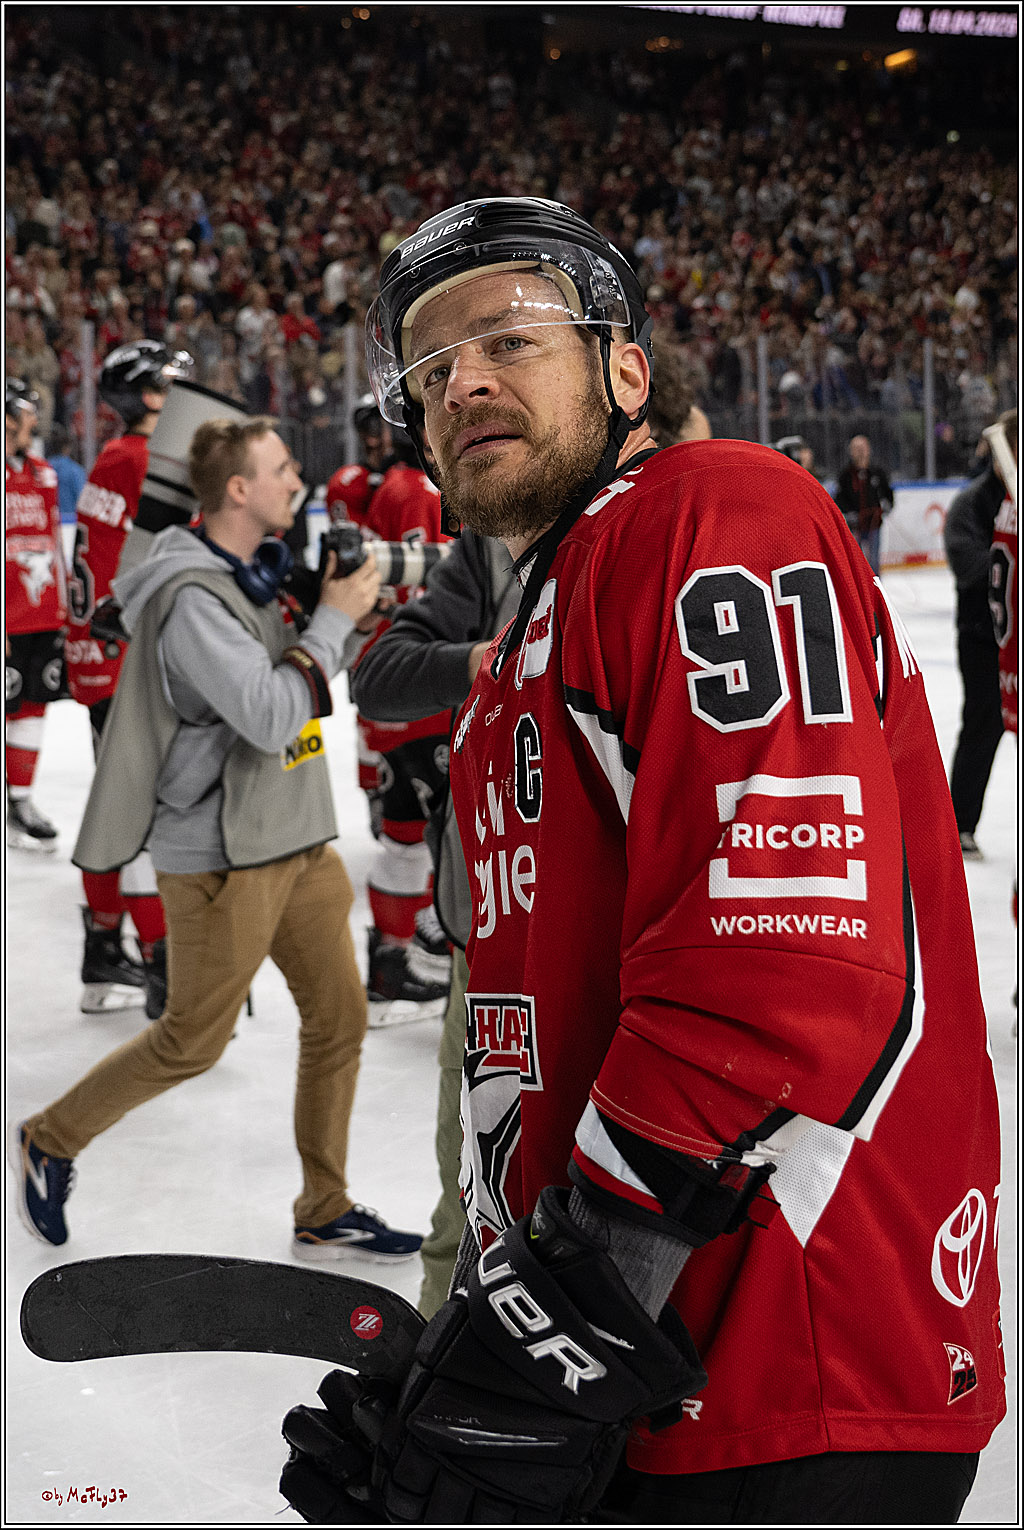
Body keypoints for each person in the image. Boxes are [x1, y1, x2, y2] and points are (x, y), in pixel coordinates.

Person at [281, 198, 1004, 1526]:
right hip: (634, 1375)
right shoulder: (537, 623)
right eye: (431, 368)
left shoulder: (710, 507)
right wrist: (471, 1343)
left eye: (508, 336)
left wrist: (554, 1322)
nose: (466, 381)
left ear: (625, 370)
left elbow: (785, 957)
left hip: (782, 1370)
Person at [9, 415, 422, 1266]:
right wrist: (334, 620)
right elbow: (272, 711)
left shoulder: (254, 574)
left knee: (340, 1022)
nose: (294, 482)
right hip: (226, 858)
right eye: (278, 469)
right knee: (190, 1040)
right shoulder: (194, 597)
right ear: (239, 490)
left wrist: (335, 614)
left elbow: (302, 681)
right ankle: (50, 1139)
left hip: (297, 836)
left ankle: (324, 1204)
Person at [351, 519, 520, 1317]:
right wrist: (479, 659)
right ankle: (433, 1368)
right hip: (484, 929)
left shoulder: (661, 538)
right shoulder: (488, 549)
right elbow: (378, 675)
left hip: (615, 944)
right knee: (470, 1185)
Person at [65, 340, 193, 1017]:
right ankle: (163, 967)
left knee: (120, 809)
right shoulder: (141, 460)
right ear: (145, 395)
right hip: (125, 662)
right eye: (168, 384)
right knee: (144, 819)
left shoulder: (113, 459)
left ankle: (102, 951)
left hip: (100, 661)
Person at [348, 426, 454, 1025]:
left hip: (393, 681)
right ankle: (412, 956)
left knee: (406, 827)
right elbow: (429, 585)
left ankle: (392, 962)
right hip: (421, 687)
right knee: (430, 830)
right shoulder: (417, 488)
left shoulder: (389, 486)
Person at [944, 422, 1011, 858]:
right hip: (984, 639)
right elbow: (966, 563)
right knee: (983, 727)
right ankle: (958, 823)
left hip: (1015, 640)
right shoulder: (973, 502)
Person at [5, 378, 67, 850]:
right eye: (26, 411)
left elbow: (53, 544)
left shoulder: (43, 474)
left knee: (32, 706)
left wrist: (64, 611)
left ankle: (20, 802)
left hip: (42, 613)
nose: (33, 420)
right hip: (7, 617)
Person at [833, 434, 893, 575]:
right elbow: (839, 498)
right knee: (855, 561)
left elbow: (888, 493)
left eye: (862, 448)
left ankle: (875, 588)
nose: (860, 451)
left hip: (874, 524)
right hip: (855, 527)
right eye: (856, 448)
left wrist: (887, 505)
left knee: (873, 560)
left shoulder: (877, 472)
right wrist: (848, 514)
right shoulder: (845, 475)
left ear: (869, 449)